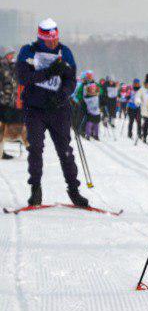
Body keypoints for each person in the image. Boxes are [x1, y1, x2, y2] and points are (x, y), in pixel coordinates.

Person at [14, 19, 88, 207]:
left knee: (65, 151)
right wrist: (49, 72)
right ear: (41, 38)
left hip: (58, 110)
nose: (53, 43)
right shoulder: (28, 51)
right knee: (36, 149)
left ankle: (74, 190)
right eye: (49, 40)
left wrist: (62, 95)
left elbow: (71, 80)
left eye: (55, 39)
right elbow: (23, 77)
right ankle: (35, 189)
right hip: (35, 109)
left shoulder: (65, 52)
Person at [0, 48, 25, 159]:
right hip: (2, 100)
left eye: (12, 54)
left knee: (7, 126)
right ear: (5, 55)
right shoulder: (1, 66)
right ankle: (2, 151)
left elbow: (18, 80)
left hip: (10, 101)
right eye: (10, 54)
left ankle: (2, 149)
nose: (12, 56)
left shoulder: (12, 66)